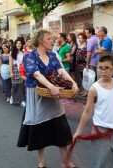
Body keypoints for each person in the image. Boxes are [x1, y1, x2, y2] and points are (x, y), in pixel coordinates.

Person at [17, 29, 79, 168]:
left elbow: (61, 71)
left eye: (52, 38)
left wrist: (73, 83)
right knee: (39, 128)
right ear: (40, 41)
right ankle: (41, 160)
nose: (53, 41)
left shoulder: (52, 55)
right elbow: (36, 74)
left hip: (52, 94)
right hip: (37, 94)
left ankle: (65, 161)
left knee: (60, 128)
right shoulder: (29, 56)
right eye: (49, 38)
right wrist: (51, 86)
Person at [73, 54, 113, 168]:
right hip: (100, 131)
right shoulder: (94, 89)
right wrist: (78, 131)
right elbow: (87, 112)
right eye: (100, 68)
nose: (103, 71)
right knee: (98, 164)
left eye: (107, 68)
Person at [9, 39, 25, 106]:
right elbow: (10, 63)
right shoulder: (12, 53)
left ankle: (20, 100)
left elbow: (23, 62)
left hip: (21, 69)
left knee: (21, 86)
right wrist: (11, 72)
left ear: (21, 45)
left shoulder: (23, 53)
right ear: (15, 44)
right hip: (14, 69)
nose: (18, 44)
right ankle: (12, 97)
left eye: (20, 43)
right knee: (14, 85)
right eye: (17, 43)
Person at [76, 32, 88, 96]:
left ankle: (86, 91)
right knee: (82, 77)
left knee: (85, 77)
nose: (79, 39)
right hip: (79, 64)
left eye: (80, 38)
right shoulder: (79, 45)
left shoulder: (86, 45)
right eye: (79, 38)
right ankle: (84, 90)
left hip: (84, 63)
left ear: (84, 39)